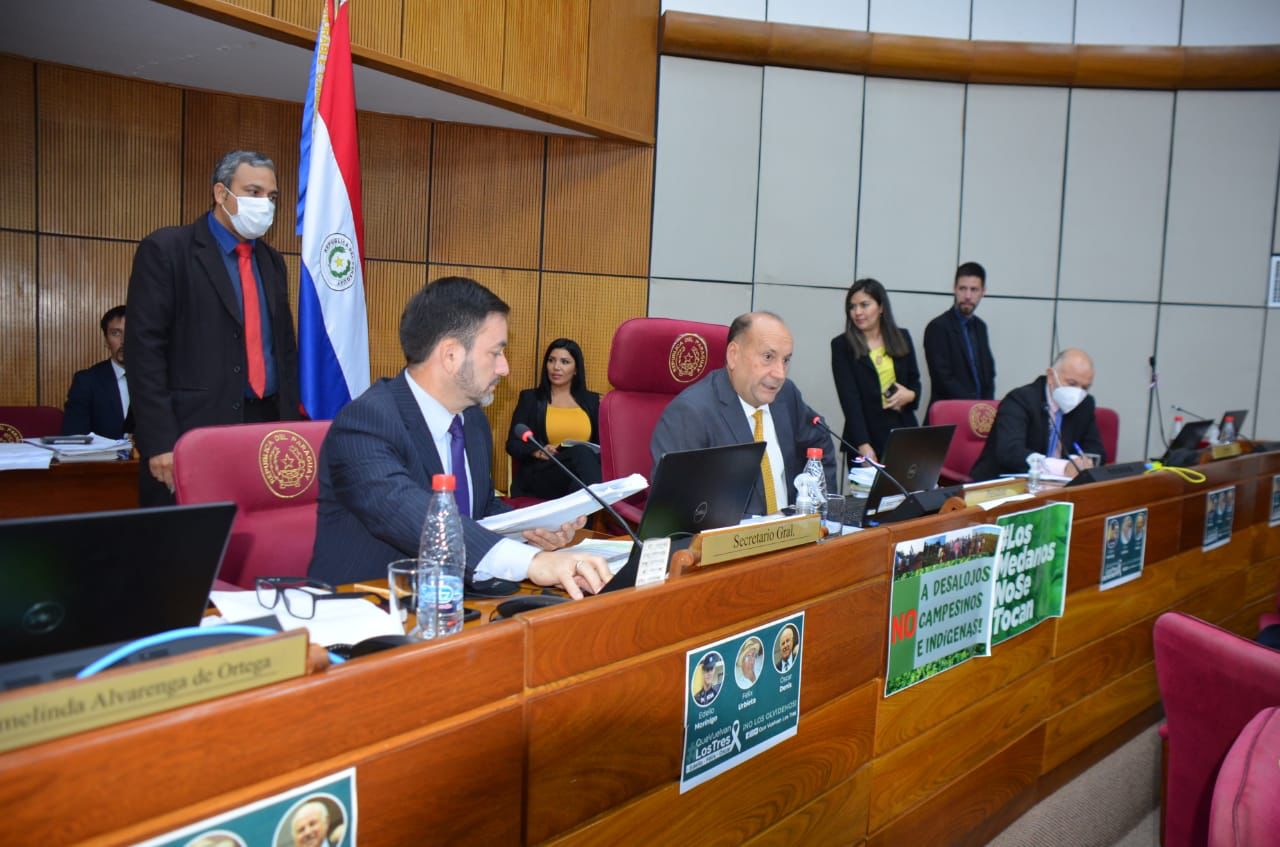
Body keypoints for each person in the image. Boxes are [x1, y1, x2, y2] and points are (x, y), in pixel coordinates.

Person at [309, 276, 610, 597]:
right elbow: (415, 517)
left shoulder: (472, 420)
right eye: (495, 353)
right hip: (370, 610)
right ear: (451, 355)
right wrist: (533, 562)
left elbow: (478, 509)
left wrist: (530, 528)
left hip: (456, 602)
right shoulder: (365, 423)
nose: (505, 368)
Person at [126, 150, 301, 506]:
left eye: (272, 197)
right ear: (221, 194)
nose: (265, 205)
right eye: (253, 192)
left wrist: (290, 431)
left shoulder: (271, 261)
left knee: (259, 544)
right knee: (188, 551)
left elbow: (283, 350)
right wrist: (158, 441)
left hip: (265, 429)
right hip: (191, 432)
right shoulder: (168, 249)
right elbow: (144, 351)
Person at [650, 312, 836, 516]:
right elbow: (678, 509)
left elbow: (820, 442)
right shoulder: (690, 414)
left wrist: (817, 510)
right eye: (768, 357)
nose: (780, 374)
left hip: (795, 539)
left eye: (785, 360)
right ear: (733, 355)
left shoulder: (786, 396)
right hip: (735, 543)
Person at [969, 348, 1106, 481]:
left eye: (1085, 387)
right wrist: (1063, 467)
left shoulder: (1085, 404)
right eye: (1072, 383)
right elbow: (1010, 452)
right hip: (1003, 485)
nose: (1078, 393)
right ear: (1051, 376)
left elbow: (1096, 451)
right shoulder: (1020, 399)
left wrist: (1083, 462)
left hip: (1057, 487)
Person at [830, 278, 922, 464]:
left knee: (908, 492)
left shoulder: (902, 337)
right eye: (852, 306)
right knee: (867, 493)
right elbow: (849, 400)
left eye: (864, 305)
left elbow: (915, 382)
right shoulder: (842, 345)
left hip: (903, 433)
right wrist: (863, 445)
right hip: (865, 436)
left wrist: (910, 396)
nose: (857, 312)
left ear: (881, 307)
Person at [505, 338, 601, 498]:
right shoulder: (531, 399)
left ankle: (578, 521)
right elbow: (512, 444)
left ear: (576, 369)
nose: (556, 367)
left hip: (577, 477)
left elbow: (600, 447)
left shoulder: (593, 402)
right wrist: (537, 451)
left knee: (584, 466)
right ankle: (596, 515)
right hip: (542, 474)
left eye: (564, 362)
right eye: (551, 360)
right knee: (582, 455)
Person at [923, 262, 995, 411]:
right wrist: (973, 407)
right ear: (954, 289)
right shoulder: (938, 327)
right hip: (948, 415)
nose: (968, 296)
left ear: (983, 291)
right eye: (963, 288)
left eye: (974, 289)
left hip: (978, 417)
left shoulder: (981, 327)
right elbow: (943, 379)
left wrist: (986, 408)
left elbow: (989, 374)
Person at [61, 305, 132, 438]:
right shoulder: (86, 382)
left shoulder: (163, 378)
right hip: (106, 458)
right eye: (116, 333)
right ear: (106, 341)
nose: (123, 341)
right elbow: (74, 438)